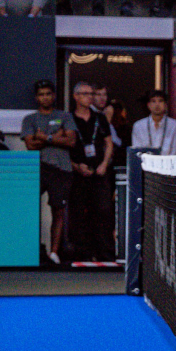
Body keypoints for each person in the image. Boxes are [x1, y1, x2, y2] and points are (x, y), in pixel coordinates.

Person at [21, 80, 75, 264]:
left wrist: (44, 136)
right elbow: (30, 145)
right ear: (37, 97)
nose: (45, 97)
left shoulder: (65, 116)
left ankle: (54, 252)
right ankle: (32, 249)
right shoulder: (30, 119)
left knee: (58, 210)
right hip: (39, 167)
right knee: (30, 208)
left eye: (48, 93)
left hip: (62, 169)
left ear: (53, 95)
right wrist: (57, 137)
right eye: (41, 94)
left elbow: (71, 142)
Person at [67, 81, 114, 262]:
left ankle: (105, 252)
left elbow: (108, 143)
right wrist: (76, 166)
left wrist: (104, 164)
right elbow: (64, 148)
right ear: (76, 96)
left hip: (99, 172)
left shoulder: (99, 118)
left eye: (91, 94)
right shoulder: (68, 118)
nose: (90, 98)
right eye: (86, 94)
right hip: (78, 173)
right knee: (78, 212)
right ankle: (82, 252)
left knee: (104, 210)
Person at [131, 89, 176, 155]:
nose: (157, 104)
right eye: (153, 101)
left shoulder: (173, 125)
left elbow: (174, 151)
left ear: (165, 105)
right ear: (148, 105)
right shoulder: (139, 126)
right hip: (146, 163)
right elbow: (137, 151)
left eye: (160, 101)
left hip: (166, 162)